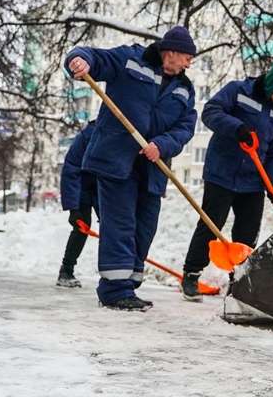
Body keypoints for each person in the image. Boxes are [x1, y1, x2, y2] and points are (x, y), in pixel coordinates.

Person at [65, 26, 198, 312]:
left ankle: (129, 284)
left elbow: (186, 128)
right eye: (187, 57)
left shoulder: (185, 90)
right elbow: (94, 58)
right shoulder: (131, 59)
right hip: (116, 159)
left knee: (144, 227)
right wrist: (78, 59)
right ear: (171, 52)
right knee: (120, 223)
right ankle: (115, 290)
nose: (189, 64)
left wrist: (161, 144)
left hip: (153, 167)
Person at [180, 61, 273, 302]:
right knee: (212, 225)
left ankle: (240, 281)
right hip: (221, 172)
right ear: (271, 83)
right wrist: (237, 128)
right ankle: (191, 274)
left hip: (253, 180)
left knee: (248, 232)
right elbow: (211, 111)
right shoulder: (238, 90)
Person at [56, 121, 99, 289]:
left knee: (114, 229)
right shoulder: (85, 139)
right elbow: (70, 171)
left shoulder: (117, 134)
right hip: (81, 189)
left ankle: (117, 271)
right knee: (82, 227)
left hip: (103, 188)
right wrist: (73, 208)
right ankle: (66, 270)